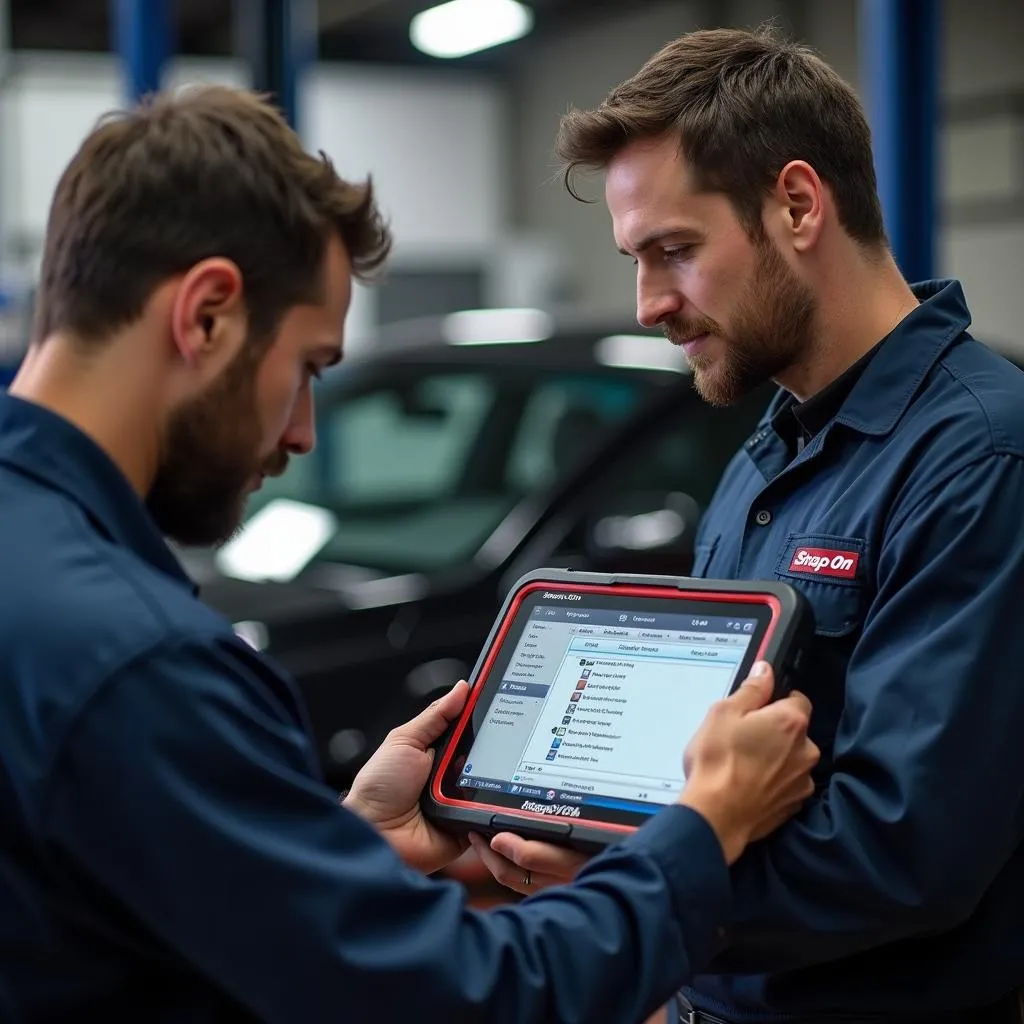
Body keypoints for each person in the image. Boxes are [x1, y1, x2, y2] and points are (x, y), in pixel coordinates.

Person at [0, 84, 821, 1024]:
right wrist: (702, 829)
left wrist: (339, 851)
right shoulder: (142, 664)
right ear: (209, 315)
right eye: (308, 366)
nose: (303, 432)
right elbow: (466, 999)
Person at [471, 23, 1024, 1024]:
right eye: (636, 259)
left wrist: (630, 897)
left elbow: (908, 849)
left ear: (798, 205)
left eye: (673, 251)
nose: (645, 304)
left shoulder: (981, 456)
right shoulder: (768, 451)